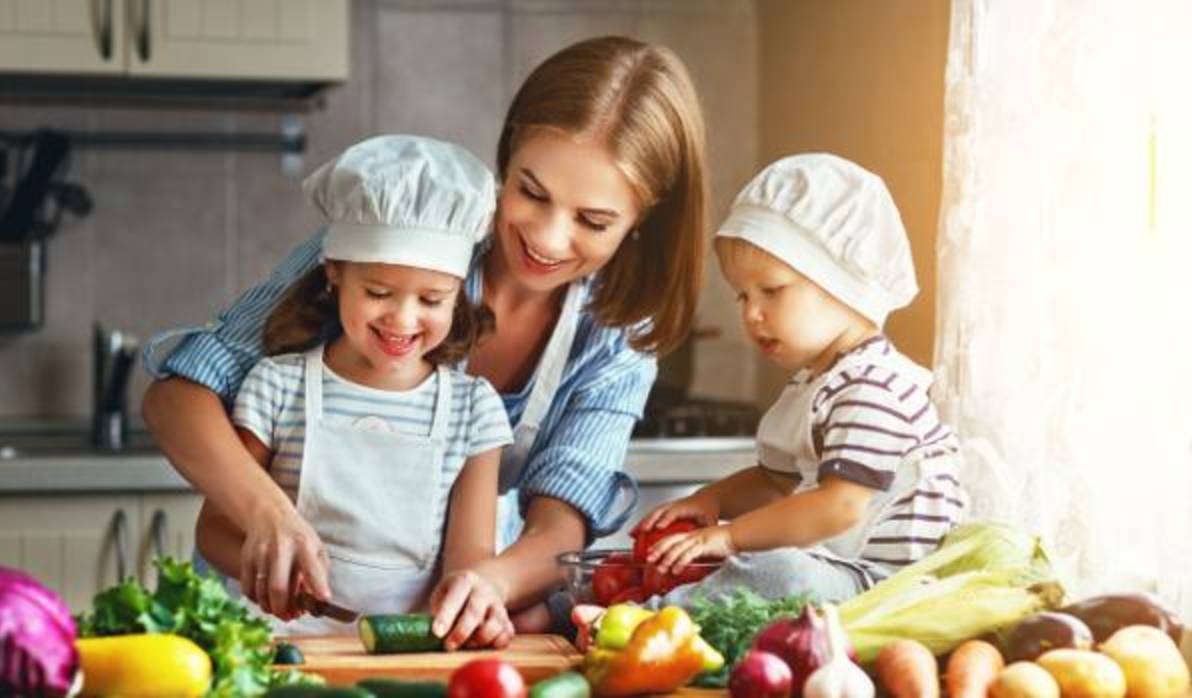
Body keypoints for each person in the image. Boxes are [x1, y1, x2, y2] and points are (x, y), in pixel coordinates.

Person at [140, 36, 708, 647]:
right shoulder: (394, 238)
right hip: (255, 621)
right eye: (531, 192)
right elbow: (178, 397)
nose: (546, 237)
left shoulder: (616, 337)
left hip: (411, 631)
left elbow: (557, 527)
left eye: (593, 221)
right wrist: (268, 517)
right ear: (508, 153)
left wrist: (487, 585)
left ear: (642, 218)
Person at [193, 135, 514, 634]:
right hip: (278, 643)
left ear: (457, 296)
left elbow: (469, 560)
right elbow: (214, 530)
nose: (403, 319)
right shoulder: (278, 387)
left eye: (432, 300)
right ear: (334, 274)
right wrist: (268, 573)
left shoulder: (474, 410)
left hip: (405, 650)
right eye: (378, 292)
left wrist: (463, 608)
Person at [635, 153, 967, 605]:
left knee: (780, 570)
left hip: (885, 588)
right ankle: (627, 603)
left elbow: (839, 506)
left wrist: (730, 538)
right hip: (840, 571)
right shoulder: (817, 382)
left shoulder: (873, 388)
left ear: (842, 282)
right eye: (743, 296)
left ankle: (650, 617)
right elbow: (774, 484)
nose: (751, 314)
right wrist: (711, 500)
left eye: (771, 290)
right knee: (754, 561)